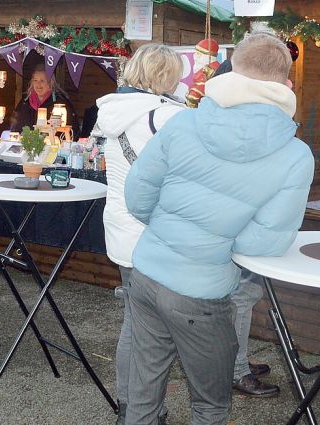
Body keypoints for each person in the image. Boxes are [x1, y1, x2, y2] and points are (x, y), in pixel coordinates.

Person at [123, 32, 314, 424]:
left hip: (147, 271)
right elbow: (268, 240)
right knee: (210, 405)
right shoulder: (296, 154)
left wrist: (170, 232)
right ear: (287, 85)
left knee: (142, 398)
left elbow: (138, 193)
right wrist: (213, 248)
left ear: (232, 70)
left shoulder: (184, 122)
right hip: (203, 292)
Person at [94, 44, 187, 424]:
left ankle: (130, 407)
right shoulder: (168, 117)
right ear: (167, 76)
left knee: (134, 323)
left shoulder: (112, 110)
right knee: (156, 334)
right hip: (156, 233)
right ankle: (146, 412)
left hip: (121, 230)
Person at [9, 66, 77, 133]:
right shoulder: (25, 102)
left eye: (42, 80)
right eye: (35, 80)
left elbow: (70, 129)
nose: (38, 84)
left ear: (50, 83)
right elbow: (14, 125)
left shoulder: (60, 102)